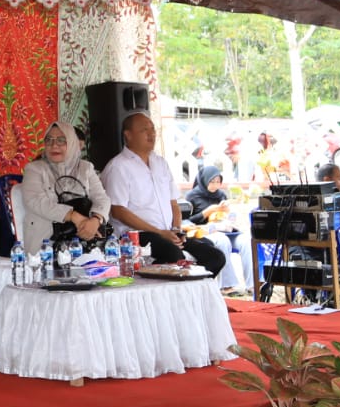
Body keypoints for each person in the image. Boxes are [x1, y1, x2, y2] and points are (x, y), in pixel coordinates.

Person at [101, 113, 226, 276]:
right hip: (137, 237)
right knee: (174, 257)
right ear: (128, 135)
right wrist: (160, 233)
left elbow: (173, 203)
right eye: (144, 130)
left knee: (215, 256)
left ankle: (193, 298)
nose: (151, 134)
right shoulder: (118, 167)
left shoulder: (160, 163)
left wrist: (175, 229)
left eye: (153, 129)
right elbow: (118, 211)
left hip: (167, 233)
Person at [19, 121, 110, 253]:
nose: (54, 145)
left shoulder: (85, 168)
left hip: (83, 240)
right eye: (49, 140)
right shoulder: (34, 169)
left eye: (61, 140)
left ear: (72, 142)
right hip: (46, 244)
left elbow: (102, 198)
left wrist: (96, 220)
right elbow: (36, 201)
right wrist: (72, 216)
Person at [183, 165, 251, 294]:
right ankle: (227, 285)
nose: (215, 185)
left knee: (245, 241)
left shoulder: (221, 195)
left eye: (218, 182)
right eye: (212, 182)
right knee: (222, 240)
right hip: (204, 232)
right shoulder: (192, 196)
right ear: (204, 181)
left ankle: (253, 285)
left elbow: (226, 217)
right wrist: (207, 212)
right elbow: (187, 221)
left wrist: (228, 213)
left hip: (224, 229)